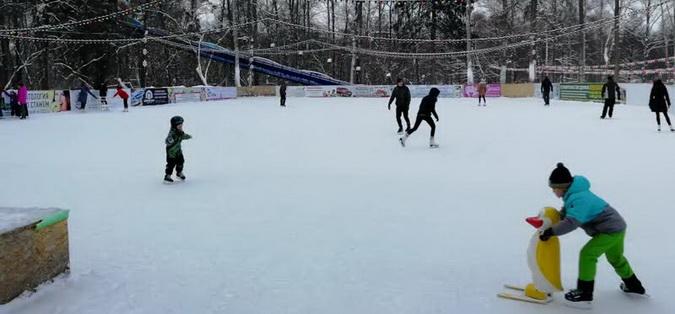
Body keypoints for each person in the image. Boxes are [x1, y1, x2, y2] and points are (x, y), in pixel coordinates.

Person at [539, 163, 646, 306]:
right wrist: (554, 219)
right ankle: (634, 286)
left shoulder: (579, 198)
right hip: (617, 228)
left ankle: (584, 293)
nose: (553, 191)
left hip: (609, 231)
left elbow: (572, 222)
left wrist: (551, 232)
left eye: (554, 188)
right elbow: (567, 213)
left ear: (562, 187)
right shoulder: (573, 194)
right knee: (616, 259)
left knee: (587, 254)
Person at [164, 116, 192, 183]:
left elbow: (183, 136)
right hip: (171, 152)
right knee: (171, 164)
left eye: (181, 125)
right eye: (179, 126)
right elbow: (167, 140)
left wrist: (188, 136)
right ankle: (167, 176)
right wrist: (169, 140)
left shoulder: (180, 132)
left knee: (181, 161)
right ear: (174, 126)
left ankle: (179, 173)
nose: (181, 127)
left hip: (178, 151)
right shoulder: (172, 133)